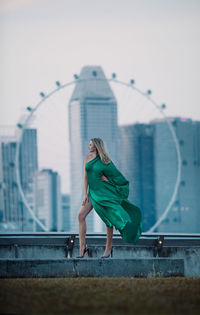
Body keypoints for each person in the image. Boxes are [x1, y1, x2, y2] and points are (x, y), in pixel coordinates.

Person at [77, 137, 142, 258]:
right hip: (92, 193)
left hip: (104, 193)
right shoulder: (87, 158)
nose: (89, 146)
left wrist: (107, 180)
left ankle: (108, 248)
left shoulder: (105, 161)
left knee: (108, 221)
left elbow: (116, 175)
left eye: (91, 144)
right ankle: (82, 247)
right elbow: (85, 177)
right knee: (80, 216)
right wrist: (85, 194)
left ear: (96, 146)